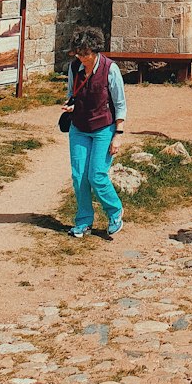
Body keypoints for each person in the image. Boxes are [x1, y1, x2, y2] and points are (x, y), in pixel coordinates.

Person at [63, 25, 127, 239]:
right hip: (79, 128)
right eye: (79, 54)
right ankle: (83, 221)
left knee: (97, 175)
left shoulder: (111, 69)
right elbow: (72, 94)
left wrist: (118, 134)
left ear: (96, 50)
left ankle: (115, 212)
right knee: (79, 176)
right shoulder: (74, 68)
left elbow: (120, 104)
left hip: (103, 129)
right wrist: (71, 106)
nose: (82, 58)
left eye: (86, 54)